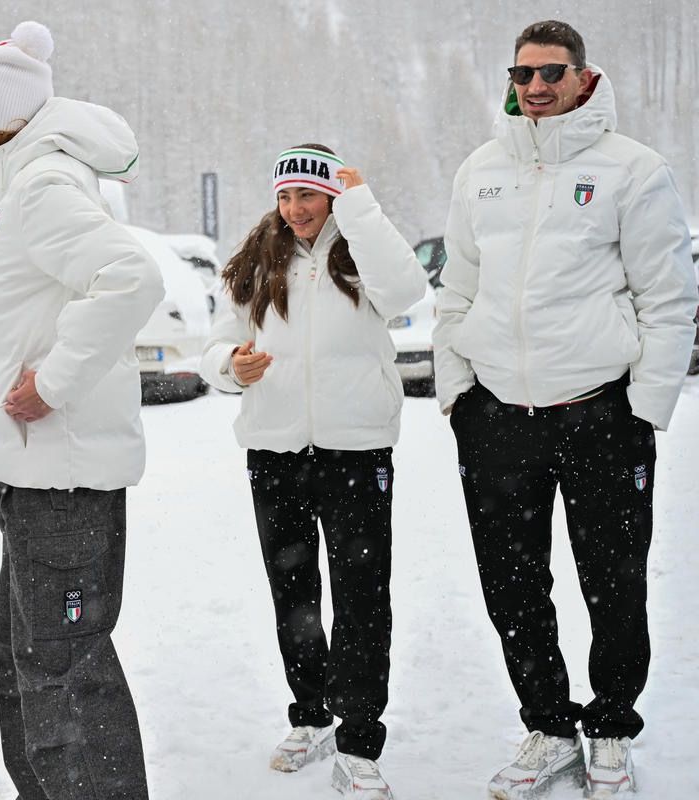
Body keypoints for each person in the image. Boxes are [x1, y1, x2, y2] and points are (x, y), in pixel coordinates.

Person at [432, 20, 698, 800]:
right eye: (522, 74)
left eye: (552, 72)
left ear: (585, 77)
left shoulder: (632, 169)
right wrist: (458, 393)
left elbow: (667, 298)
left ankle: (611, 725)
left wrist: (643, 410)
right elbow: (457, 288)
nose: (536, 86)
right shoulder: (481, 170)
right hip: (497, 419)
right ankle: (549, 726)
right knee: (512, 587)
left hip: (599, 415)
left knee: (613, 582)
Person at [0, 20, 163, 800]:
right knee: (27, 659)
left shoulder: (40, 187)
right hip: (44, 476)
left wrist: (54, 382)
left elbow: (132, 278)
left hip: (62, 478)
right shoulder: (25, 183)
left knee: (63, 668)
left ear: (3, 114)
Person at [199, 145, 427, 800]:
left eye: (308, 195)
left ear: (332, 195)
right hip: (275, 450)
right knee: (293, 593)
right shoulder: (256, 261)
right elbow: (215, 342)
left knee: (361, 594)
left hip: (355, 449)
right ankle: (311, 716)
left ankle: (358, 739)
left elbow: (407, 292)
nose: (296, 209)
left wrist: (361, 208)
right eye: (285, 196)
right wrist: (229, 365)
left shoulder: (361, 247)